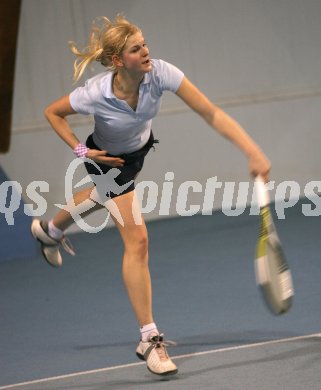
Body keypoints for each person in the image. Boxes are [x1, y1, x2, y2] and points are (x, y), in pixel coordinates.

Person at [31, 15, 270, 376]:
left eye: (144, 43)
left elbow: (211, 112)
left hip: (137, 153)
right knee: (138, 239)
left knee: (103, 196)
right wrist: (83, 152)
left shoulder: (160, 73)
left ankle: (49, 230)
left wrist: (251, 149)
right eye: (135, 48)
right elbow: (53, 112)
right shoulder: (96, 92)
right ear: (117, 60)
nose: (146, 51)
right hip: (106, 159)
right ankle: (149, 338)